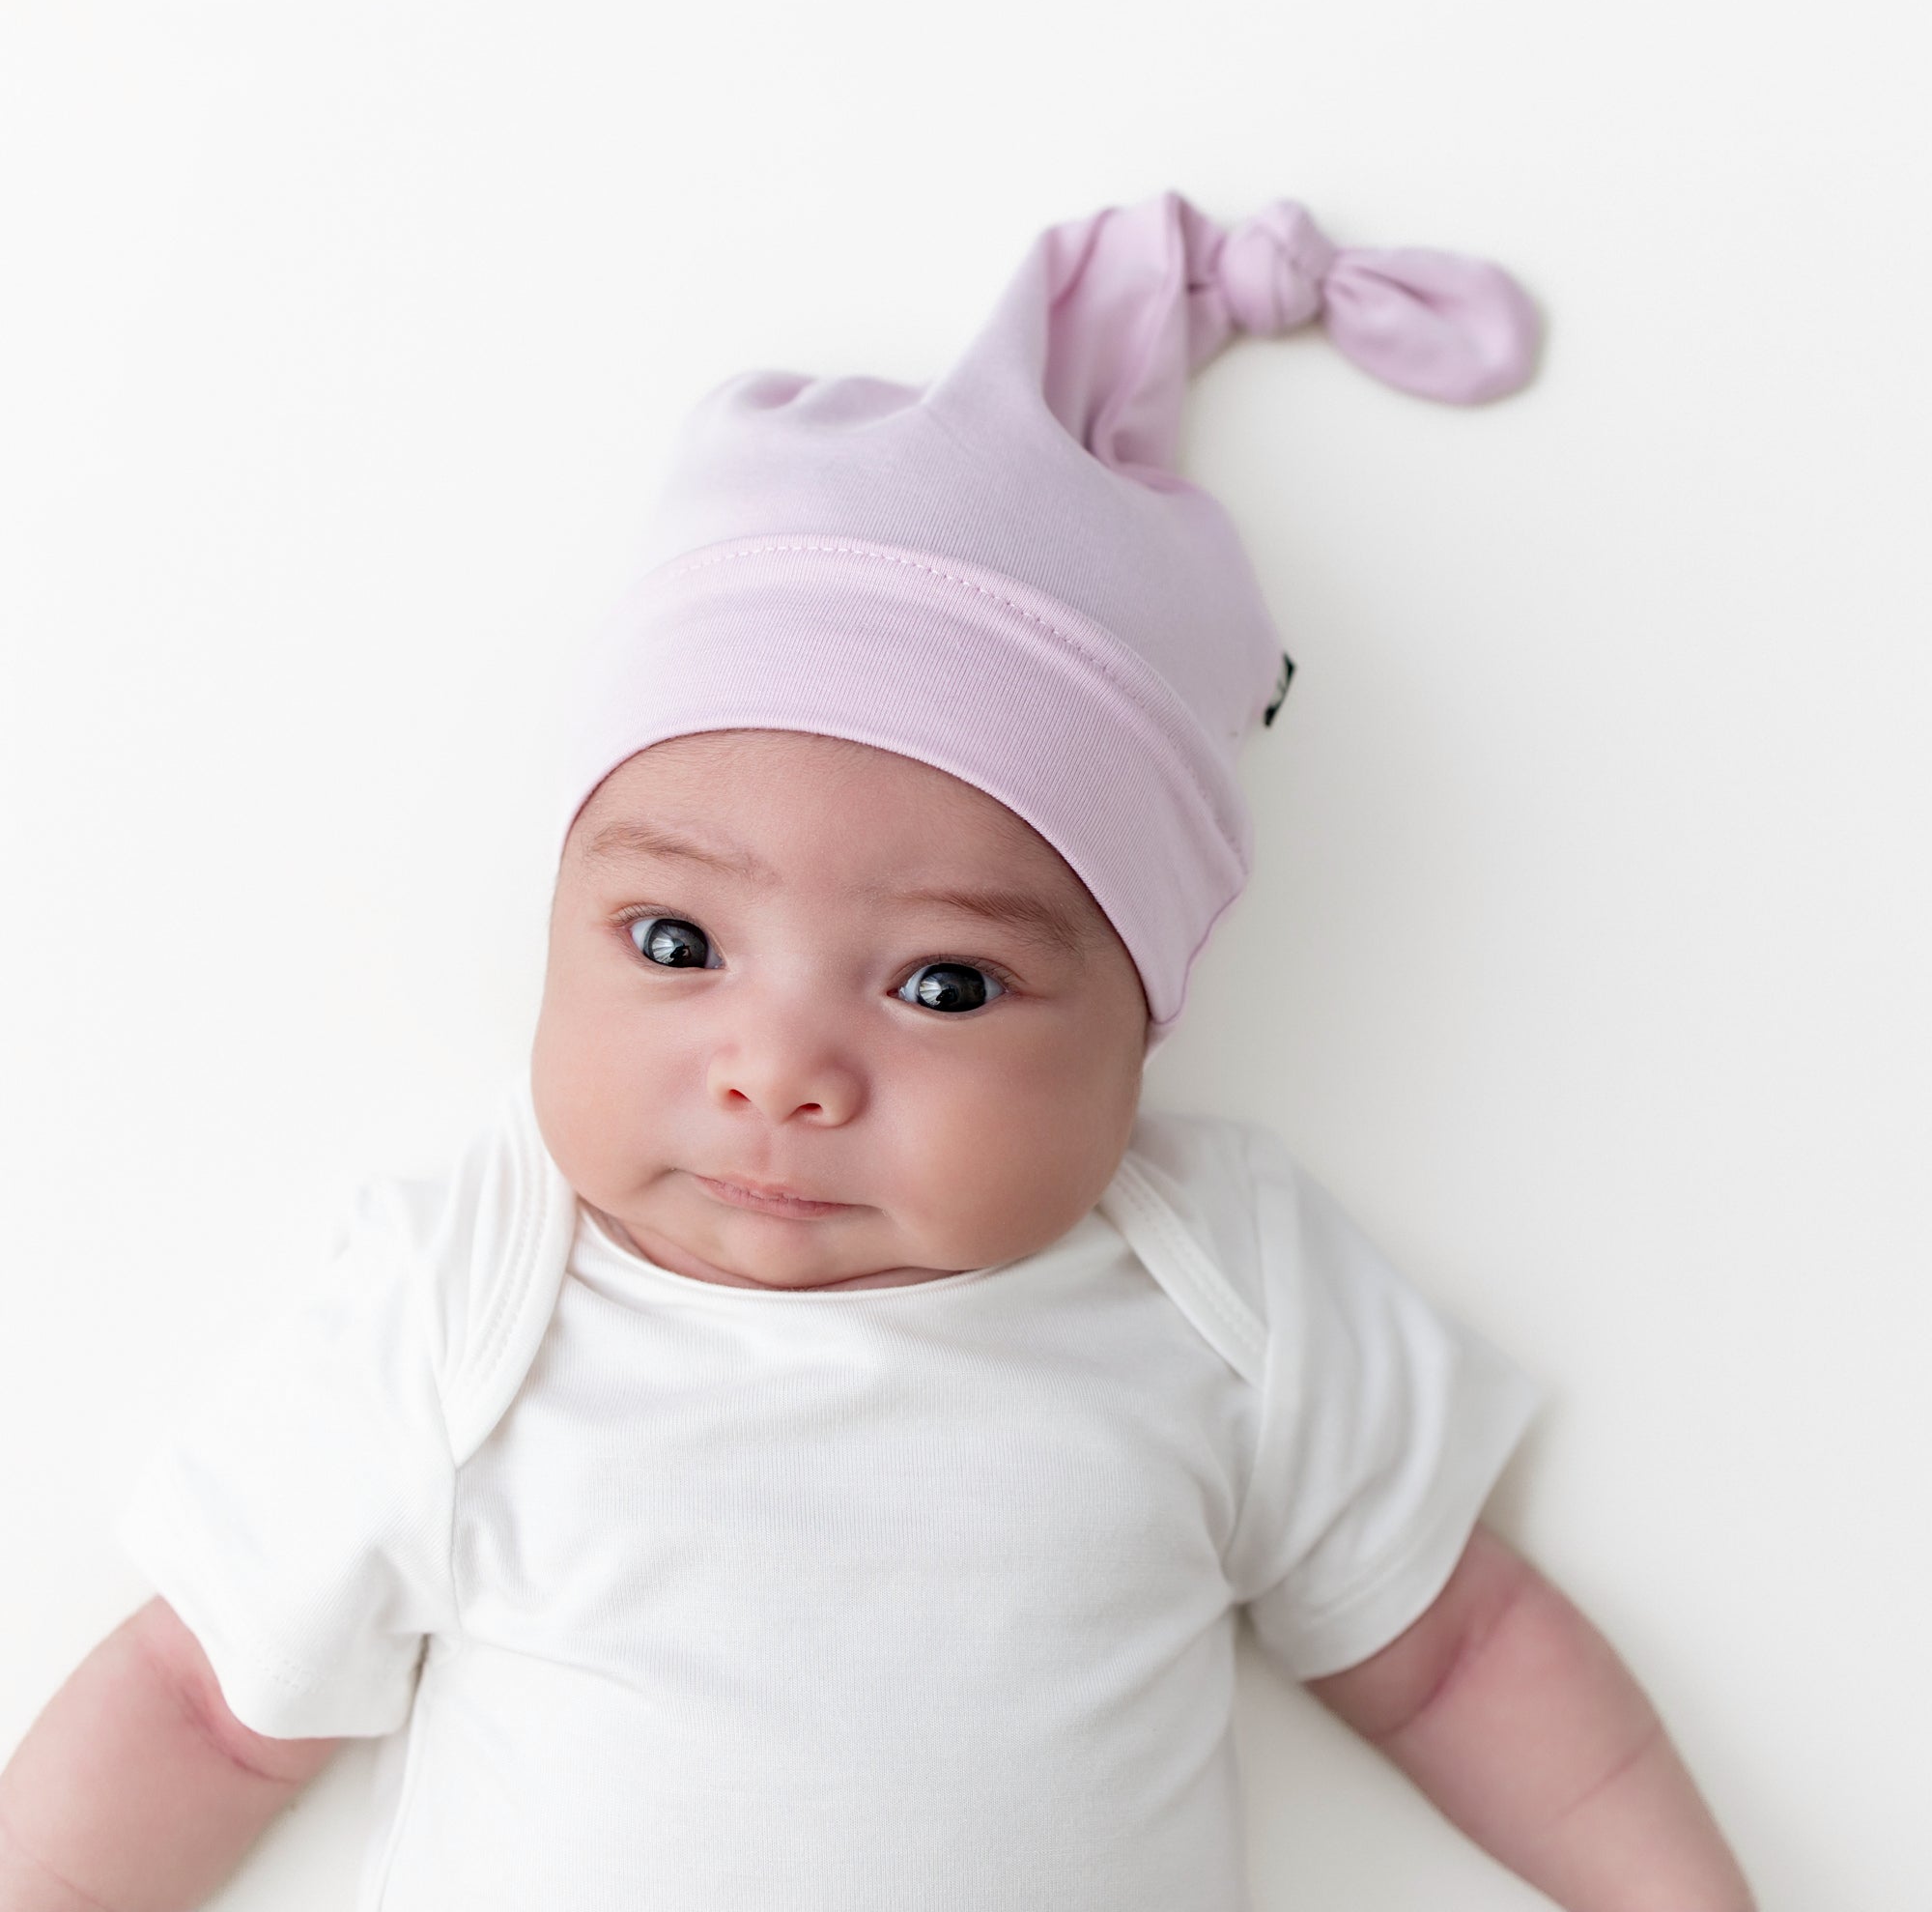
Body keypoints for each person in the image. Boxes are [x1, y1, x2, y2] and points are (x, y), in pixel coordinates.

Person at [0, 191, 1755, 1911]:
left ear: (1141, 1022)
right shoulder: (475, 1295)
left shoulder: (1218, 1285)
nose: (780, 1072)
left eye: (944, 985)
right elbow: (199, 1704)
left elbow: (1456, 1655)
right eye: (676, 945)